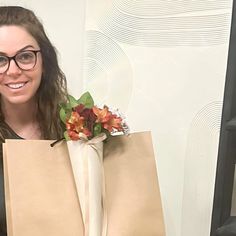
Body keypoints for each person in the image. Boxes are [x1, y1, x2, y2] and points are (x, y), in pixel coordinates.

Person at [0, 6, 68, 235]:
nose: (13, 70)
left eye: (25, 56)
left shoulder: (76, 127)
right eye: (0, 60)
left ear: (45, 60)